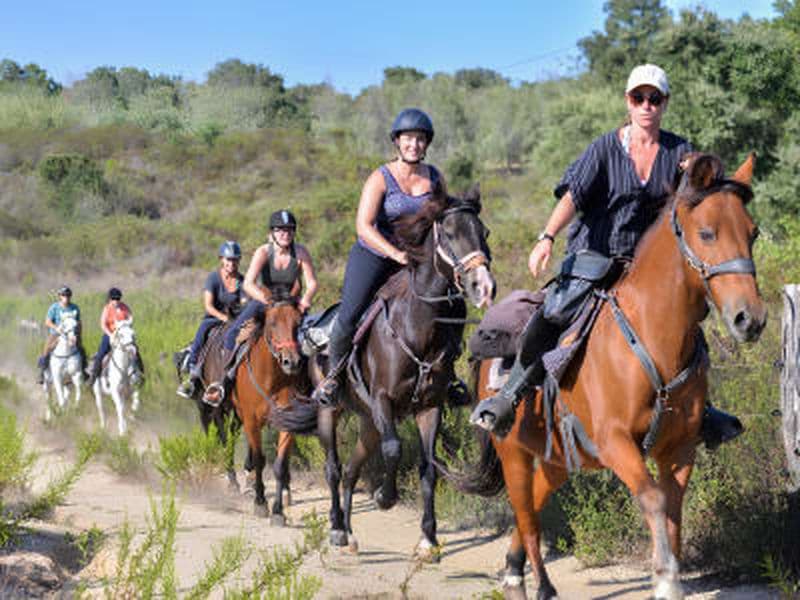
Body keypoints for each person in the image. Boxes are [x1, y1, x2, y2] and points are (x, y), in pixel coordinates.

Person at [469, 64, 743, 449]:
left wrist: (701, 167)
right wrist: (546, 237)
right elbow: (573, 197)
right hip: (594, 257)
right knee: (554, 313)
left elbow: (706, 187)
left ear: (664, 104)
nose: (647, 105)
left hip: (647, 267)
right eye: (639, 98)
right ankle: (509, 394)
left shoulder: (678, 150)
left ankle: (702, 409)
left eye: (655, 98)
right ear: (628, 103)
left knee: (688, 319)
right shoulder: (604, 148)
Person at [311, 107, 467, 407]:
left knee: (453, 305)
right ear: (397, 141)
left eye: (420, 139)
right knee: (350, 314)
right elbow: (363, 226)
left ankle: (450, 377)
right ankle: (334, 377)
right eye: (408, 138)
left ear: (427, 144)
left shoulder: (434, 178)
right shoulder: (380, 178)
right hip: (376, 253)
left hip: (419, 258)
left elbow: (443, 218)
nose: (414, 145)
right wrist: (395, 253)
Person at [221, 211, 318, 367]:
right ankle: (224, 380)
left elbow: (312, 283)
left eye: (289, 230)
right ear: (272, 232)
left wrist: (306, 299)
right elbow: (248, 283)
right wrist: (266, 299)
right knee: (233, 333)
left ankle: (317, 383)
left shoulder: (300, 252)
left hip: (292, 303)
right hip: (265, 301)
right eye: (280, 230)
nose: (285, 234)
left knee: (312, 337)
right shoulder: (263, 252)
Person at [177, 241, 246, 398]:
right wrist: (223, 318)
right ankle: (192, 370)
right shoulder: (213, 278)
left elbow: (244, 302)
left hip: (235, 321)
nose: (232, 263)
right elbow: (208, 306)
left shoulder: (242, 280)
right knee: (202, 332)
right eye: (229, 260)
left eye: (235, 260)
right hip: (214, 318)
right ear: (222, 259)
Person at [88, 287, 144, 385]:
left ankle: (141, 375)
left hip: (123, 334)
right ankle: (94, 378)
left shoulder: (125, 307)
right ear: (110, 299)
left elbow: (130, 318)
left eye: (118, 299)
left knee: (136, 352)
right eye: (114, 299)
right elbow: (103, 324)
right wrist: (110, 335)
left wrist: (127, 328)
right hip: (110, 334)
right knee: (101, 354)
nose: (116, 301)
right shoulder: (107, 308)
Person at [37, 285, 87, 384]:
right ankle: (42, 372)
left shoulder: (74, 307)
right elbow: (47, 321)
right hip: (56, 334)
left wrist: (79, 335)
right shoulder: (54, 307)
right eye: (64, 295)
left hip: (71, 334)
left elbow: (78, 322)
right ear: (60, 296)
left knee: (81, 350)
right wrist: (56, 328)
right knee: (46, 349)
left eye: (68, 295)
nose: (66, 297)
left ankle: (83, 371)